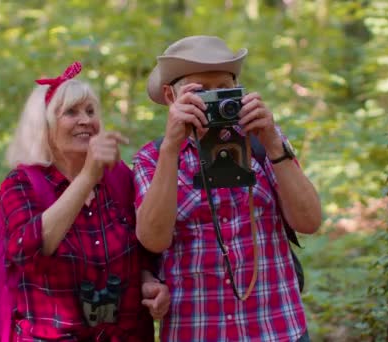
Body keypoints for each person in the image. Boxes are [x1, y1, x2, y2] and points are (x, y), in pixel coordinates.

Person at [133, 36, 322, 341]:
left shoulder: (263, 142)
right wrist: (171, 148)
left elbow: (310, 221)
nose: (212, 100)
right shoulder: (153, 158)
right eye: (199, 91)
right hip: (197, 329)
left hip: (277, 327)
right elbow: (153, 240)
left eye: (223, 89)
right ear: (170, 96)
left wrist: (273, 141)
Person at [0, 61, 169, 341]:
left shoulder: (118, 177)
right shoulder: (22, 183)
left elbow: (145, 248)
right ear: (45, 126)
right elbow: (25, 252)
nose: (86, 120)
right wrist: (88, 176)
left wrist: (150, 282)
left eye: (90, 111)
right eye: (71, 112)